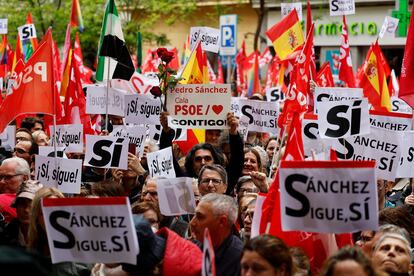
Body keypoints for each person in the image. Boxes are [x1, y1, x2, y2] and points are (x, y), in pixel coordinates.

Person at [190, 193, 242, 276]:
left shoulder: (241, 259)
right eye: (194, 215)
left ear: (222, 221)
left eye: (200, 217)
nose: (192, 223)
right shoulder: (192, 248)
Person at [0, 180, 43, 247]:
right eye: (22, 204)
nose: (26, 210)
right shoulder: (6, 233)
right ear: (16, 206)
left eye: (32, 205)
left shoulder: (47, 236)